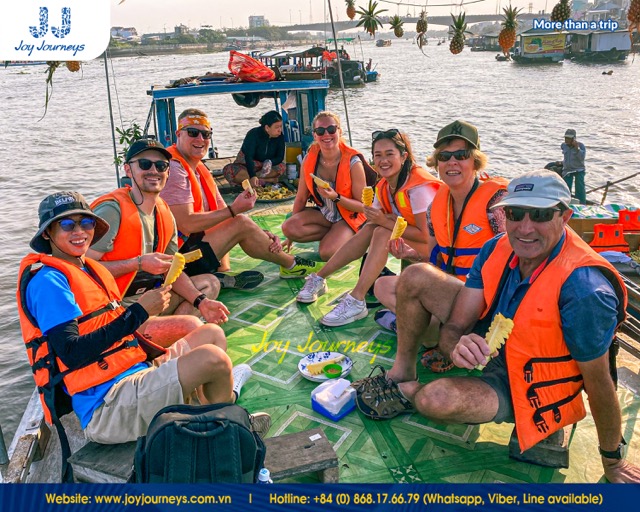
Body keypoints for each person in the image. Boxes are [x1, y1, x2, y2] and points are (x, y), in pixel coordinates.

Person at [355, 170, 640, 483]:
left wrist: (612, 460)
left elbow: (599, 383)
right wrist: (455, 347)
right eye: (516, 213)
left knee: (433, 400)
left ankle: (413, 394)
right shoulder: (496, 247)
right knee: (416, 274)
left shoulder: (584, 289)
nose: (525, 228)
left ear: (566, 216)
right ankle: (402, 375)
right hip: (493, 344)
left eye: (542, 214)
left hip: (534, 378)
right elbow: (458, 324)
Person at [17, 191, 260, 451]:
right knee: (213, 358)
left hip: (133, 372)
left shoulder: (88, 268)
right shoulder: (49, 282)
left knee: (211, 334)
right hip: (107, 407)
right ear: (47, 234)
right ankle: (231, 428)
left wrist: (149, 321)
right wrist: (140, 312)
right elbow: (71, 352)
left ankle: (211, 408)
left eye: (86, 223)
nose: (80, 231)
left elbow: (108, 324)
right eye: (67, 225)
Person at [372, 120, 508, 371]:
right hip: (448, 294)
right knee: (382, 285)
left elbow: (515, 263)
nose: (452, 162)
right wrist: (411, 254)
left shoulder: (496, 201)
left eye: (462, 155)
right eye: (444, 156)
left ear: (475, 161)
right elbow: (434, 260)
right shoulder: (437, 206)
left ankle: (427, 333)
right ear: (437, 162)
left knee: (415, 285)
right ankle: (431, 332)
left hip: (483, 301)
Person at [88, 138, 230, 348]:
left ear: (168, 172)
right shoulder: (112, 211)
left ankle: (162, 347)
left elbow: (173, 267)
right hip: (117, 314)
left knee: (209, 284)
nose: (153, 170)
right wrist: (137, 264)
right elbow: (80, 271)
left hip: (151, 299)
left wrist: (201, 302)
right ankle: (164, 346)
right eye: (145, 164)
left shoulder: (163, 211)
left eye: (161, 165)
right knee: (196, 329)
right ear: (128, 169)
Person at [296, 129, 441, 327]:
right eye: (378, 155)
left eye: (390, 154)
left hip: (438, 252)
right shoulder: (384, 185)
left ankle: (357, 299)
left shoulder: (418, 188)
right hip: (412, 245)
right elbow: (374, 221)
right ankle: (319, 278)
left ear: (404, 156)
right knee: (372, 227)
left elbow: (427, 236)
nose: (383, 161)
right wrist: (381, 220)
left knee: (381, 230)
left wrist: (384, 221)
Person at [160, 108, 321, 282]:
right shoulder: (175, 169)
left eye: (206, 134)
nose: (200, 139)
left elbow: (222, 210)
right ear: (178, 134)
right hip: (178, 259)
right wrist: (235, 210)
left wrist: (258, 232)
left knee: (242, 224)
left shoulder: (198, 167)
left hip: (196, 244)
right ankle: (291, 265)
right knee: (240, 222)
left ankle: (218, 275)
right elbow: (187, 223)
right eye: (193, 133)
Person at [282, 111, 374, 261]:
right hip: (325, 213)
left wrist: (336, 197)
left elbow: (363, 207)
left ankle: (355, 236)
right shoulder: (309, 159)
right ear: (315, 135)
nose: (326, 135)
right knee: (288, 227)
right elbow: (300, 198)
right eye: (320, 131)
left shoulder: (353, 163)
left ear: (339, 131)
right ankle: (336, 235)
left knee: (326, 253)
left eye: (331, 129)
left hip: (349, 216)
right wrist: (290, 237)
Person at [222, 110, 286, 188]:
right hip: (247, 166)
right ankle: (266, 180)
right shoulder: (253, 134)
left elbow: (280, 157)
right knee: (228, 170)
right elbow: (249, 157)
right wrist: (252, 176)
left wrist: (270, 162)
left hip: (265, 168)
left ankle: (255, 181)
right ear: (267, 127)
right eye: (276, 127)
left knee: (282, 167)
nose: (280, 130)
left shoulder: (280, 136)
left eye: (280, 126)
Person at [561, 128, 586, 205]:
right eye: (566, 138)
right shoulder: (563, 146)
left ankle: (582, 204)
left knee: (580, 188)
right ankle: (566, 203)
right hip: (567, 170)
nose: (567, 140)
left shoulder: (581, 146)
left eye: (569, 138)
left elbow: (582, 157)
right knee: (566, 188)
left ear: (574, 138)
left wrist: (577, 148)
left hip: (578, 169)